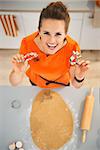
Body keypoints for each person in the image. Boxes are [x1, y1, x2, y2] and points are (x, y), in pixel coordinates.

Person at [9, 1, 90, 88]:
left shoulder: (72, 48)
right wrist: (17, 72)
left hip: (61, 85)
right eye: (46, 33)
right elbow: (14, 83)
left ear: (65, 34)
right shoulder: (27, 43)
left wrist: (79, 76)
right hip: (36, 83)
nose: (52, 41)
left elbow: (76, 85)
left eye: (58, 34)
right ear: (39, 31)